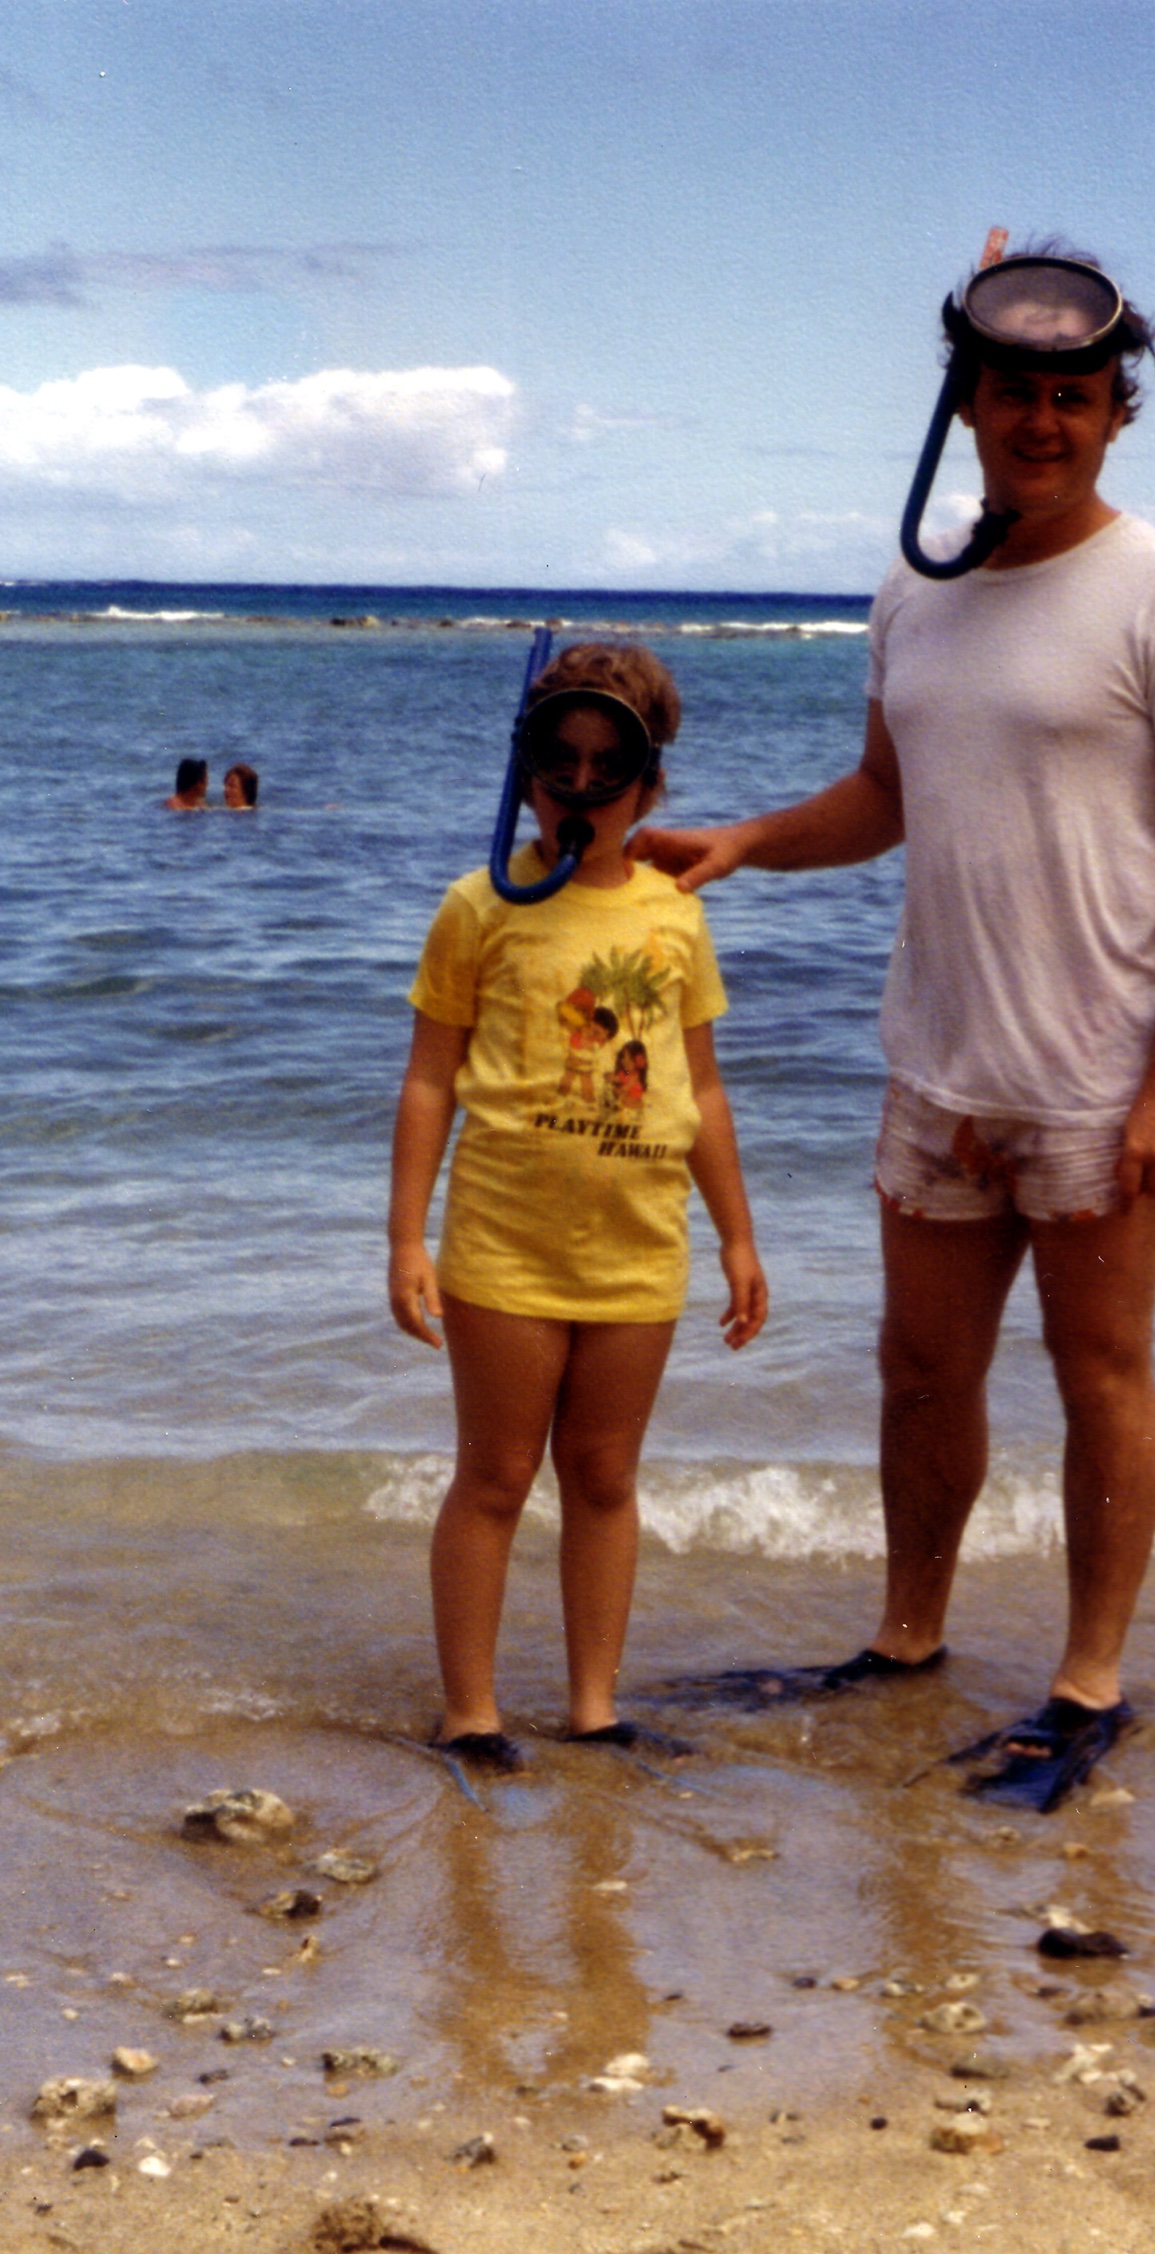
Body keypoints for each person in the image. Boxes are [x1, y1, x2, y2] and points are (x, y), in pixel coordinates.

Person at [632, 244, 1155, 1808]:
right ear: (964, 406)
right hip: (938, 1058)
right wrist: (739, 845)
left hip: (1097, 1075)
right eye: (1010, 394)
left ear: (1115, 415)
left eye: (1070, 397)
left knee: (1096, 1367)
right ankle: (905, 1639)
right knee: (917, 1368)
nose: (1038, 421)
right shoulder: (911, 590)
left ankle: (1084, 1679)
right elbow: (885, 799)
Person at [387, 641, 768, 1770]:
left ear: (651, 785)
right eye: (560, 766)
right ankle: (470, 1712)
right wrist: (406, 1235)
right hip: (504, 1241)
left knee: (603, 1477)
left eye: (614, 767)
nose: (584, 790)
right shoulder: (478, 908)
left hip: (637, 1248)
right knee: (497, 1475)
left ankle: (594, 1705)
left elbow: (698, 1087)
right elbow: (425, 1081)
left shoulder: (673, 916)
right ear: (523, 774)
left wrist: (740, 1235)